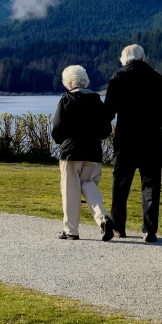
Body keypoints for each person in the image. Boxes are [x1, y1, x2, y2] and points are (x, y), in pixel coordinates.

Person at [104, 44, 162, 243]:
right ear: (143, 57)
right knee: (151, 186)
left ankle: (118, 227)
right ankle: (149, 230)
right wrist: (154, 124)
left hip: (126, 140)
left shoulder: (118, 77)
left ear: (124, 59)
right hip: (151, 140)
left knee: (120, 185)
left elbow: (108, 110)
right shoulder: (157, 78)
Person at [52, 65, 114, 241]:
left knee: (70, 190)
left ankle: (71, 231)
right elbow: (105, 130)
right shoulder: (96, 101)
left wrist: (61, 141)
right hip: (93, 152)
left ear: (69, 83)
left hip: (71, 153)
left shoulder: (66, 100)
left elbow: (57, 128)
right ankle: (103, 218)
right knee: (88, 184)